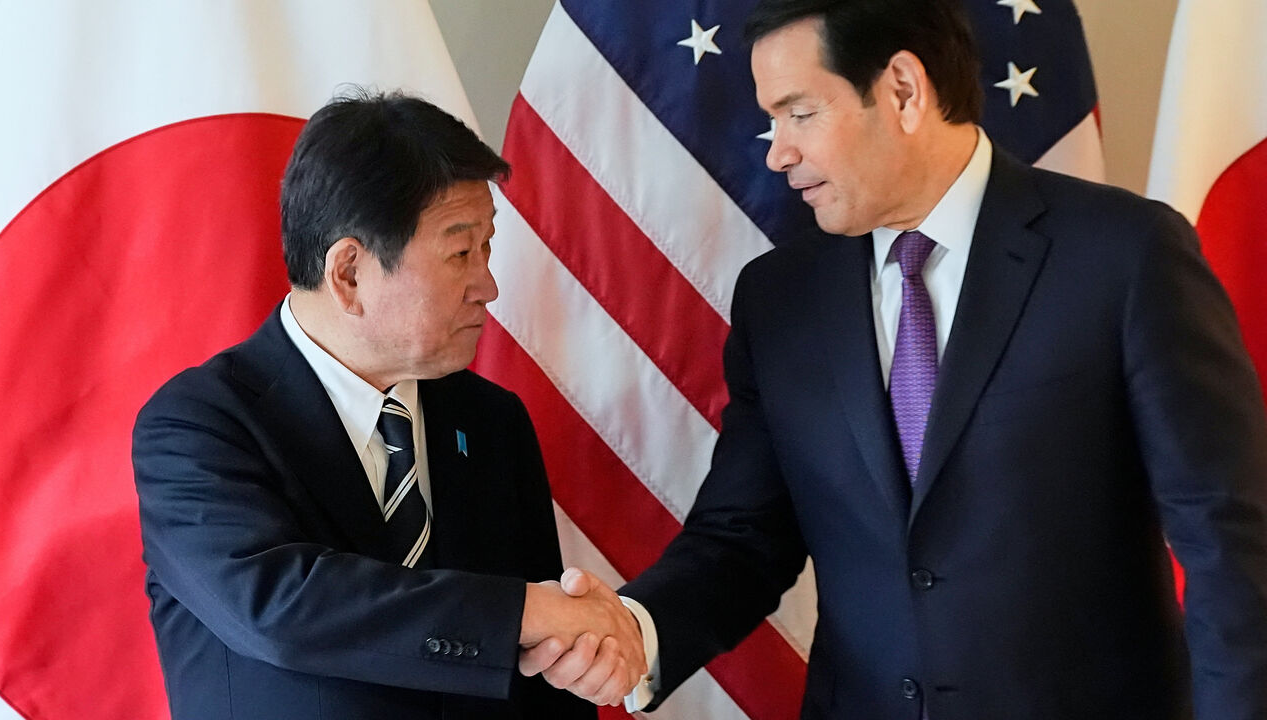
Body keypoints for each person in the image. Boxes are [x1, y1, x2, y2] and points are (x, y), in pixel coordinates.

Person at [522, 0, 1267, 717]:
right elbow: (743, 537)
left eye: (799, 113)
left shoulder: (1124, 255)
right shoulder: (780, 299)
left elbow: (1227, 542)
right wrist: (639, 631)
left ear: (904, 91)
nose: (778, 152)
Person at [131, 89, 642, 720]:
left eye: (487, 248)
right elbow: (276, 606)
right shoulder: (198, 424)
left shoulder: (492, 421)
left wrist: (575, 648)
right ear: (348, 273)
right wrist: (526, 611)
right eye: (461, 253)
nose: (488, 286)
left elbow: (540, 682)